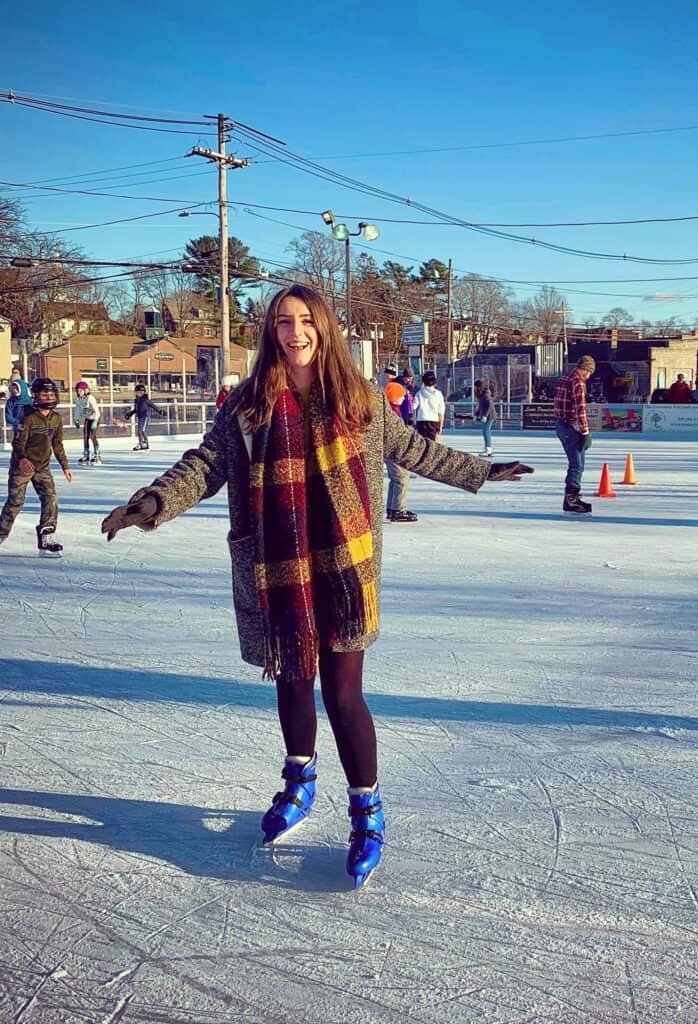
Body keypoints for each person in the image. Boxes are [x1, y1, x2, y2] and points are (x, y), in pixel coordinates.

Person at [100, 284, 533, 888]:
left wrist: (481, 470)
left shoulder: (357, 399)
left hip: (345, 568)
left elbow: (413, 449)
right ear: (270, 332)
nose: (295, 331)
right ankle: (299, 781)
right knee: (292, 676)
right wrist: (149, 503)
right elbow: (205, 465)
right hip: (278, 569)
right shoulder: (247, 405)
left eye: (306, 321)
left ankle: (366, 812)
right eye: (283, 321)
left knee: (343, 693)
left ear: (324, 328)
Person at [0, 377, 73, 556]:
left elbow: (58, 444)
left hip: (42, 468)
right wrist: (23, 459)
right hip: (22, 467)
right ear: (35, 396)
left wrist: (65, 466)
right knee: (15, 503)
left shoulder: (56, 419)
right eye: (44, 394)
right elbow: (18, 442)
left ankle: (46, 536)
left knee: (50, 498)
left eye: (51, 394)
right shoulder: (28, 417)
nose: (49, 397)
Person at [554, 355, 595, 514]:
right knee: (577, 464)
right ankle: (571, 500)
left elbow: (558, 404)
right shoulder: (578, 382)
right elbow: (580, 409)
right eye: (590, 372)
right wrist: (585, 432)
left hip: (561, 425)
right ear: (586, 370)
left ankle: (572, 497)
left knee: (578, 463)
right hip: (571, 427)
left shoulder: (563, 379)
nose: (589, 376)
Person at [381, 366, 417, 523]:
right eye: (401, 396)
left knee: (397, 478)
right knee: (402, 477)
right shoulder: (391, 413)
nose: (403, 399)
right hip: (393, 449)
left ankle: (393, 508)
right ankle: (398, 510)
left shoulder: (392, 410)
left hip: (392, 448)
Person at [124, 383, 166, 450]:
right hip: (140, 417)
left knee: (142, 431)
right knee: (139, 431)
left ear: (142, 392)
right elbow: (136, 409)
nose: (137, 393)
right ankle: (141, 444)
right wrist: (130, 414)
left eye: (138, 392)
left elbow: (153, 406)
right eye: (136, 392)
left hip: (145, 416)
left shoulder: (145, 400)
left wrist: (160, 411)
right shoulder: (137, 400)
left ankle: (145, 444)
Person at [73, 380, 102, 465]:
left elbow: (97, 411)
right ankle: (86, 454)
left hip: (95, 418)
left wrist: (95, 421)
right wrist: (76, 419)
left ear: (86, 390)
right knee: (85, 436)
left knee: (92, 436)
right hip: (87, 419)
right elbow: (77, 410)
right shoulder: (78, 399)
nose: (79, 392)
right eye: (78, 391)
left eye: (81, 390)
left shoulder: (90, 399)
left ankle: (97, 454)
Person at [413, 370, 445, 441]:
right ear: (434, 381)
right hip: (433, 421)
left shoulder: (419, 393)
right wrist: (440, 426)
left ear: (423, 382)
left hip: (421, 420)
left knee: (422, 443)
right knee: (432, 444)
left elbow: (413, 406)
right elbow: (441, 412)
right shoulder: (438, 394)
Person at [474, 379, 495, 456]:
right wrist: (476, 414)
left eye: (475, 386)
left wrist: (485, 416)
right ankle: (487, 448)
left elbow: (489, 405)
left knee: (486, 431)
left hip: (490, 415)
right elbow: (480, 406)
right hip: (485, 415)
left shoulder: (486, 394)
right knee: (485, 431)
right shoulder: (480, 394)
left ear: (479, 386)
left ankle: (488, 449)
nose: (474, 388)